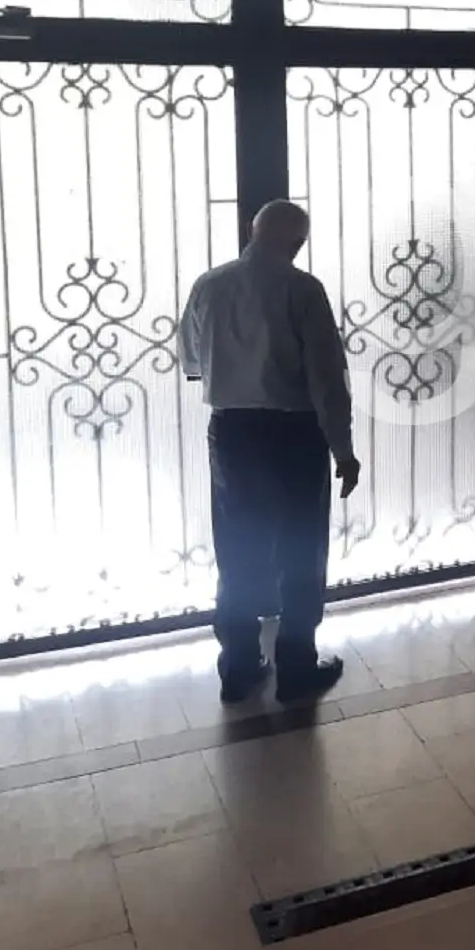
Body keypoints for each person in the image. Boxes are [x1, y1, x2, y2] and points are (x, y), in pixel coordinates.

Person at [179, 200, 361, 704]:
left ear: (250, 231)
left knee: (237, 548)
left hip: (232, 433)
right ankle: (296, 667)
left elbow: (191, 360)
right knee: (301, 550)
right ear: (299, 244)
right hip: (294, 433)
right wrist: (343, 450)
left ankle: (239, 667)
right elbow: (327, 379)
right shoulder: (303, 290)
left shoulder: (208, 285)